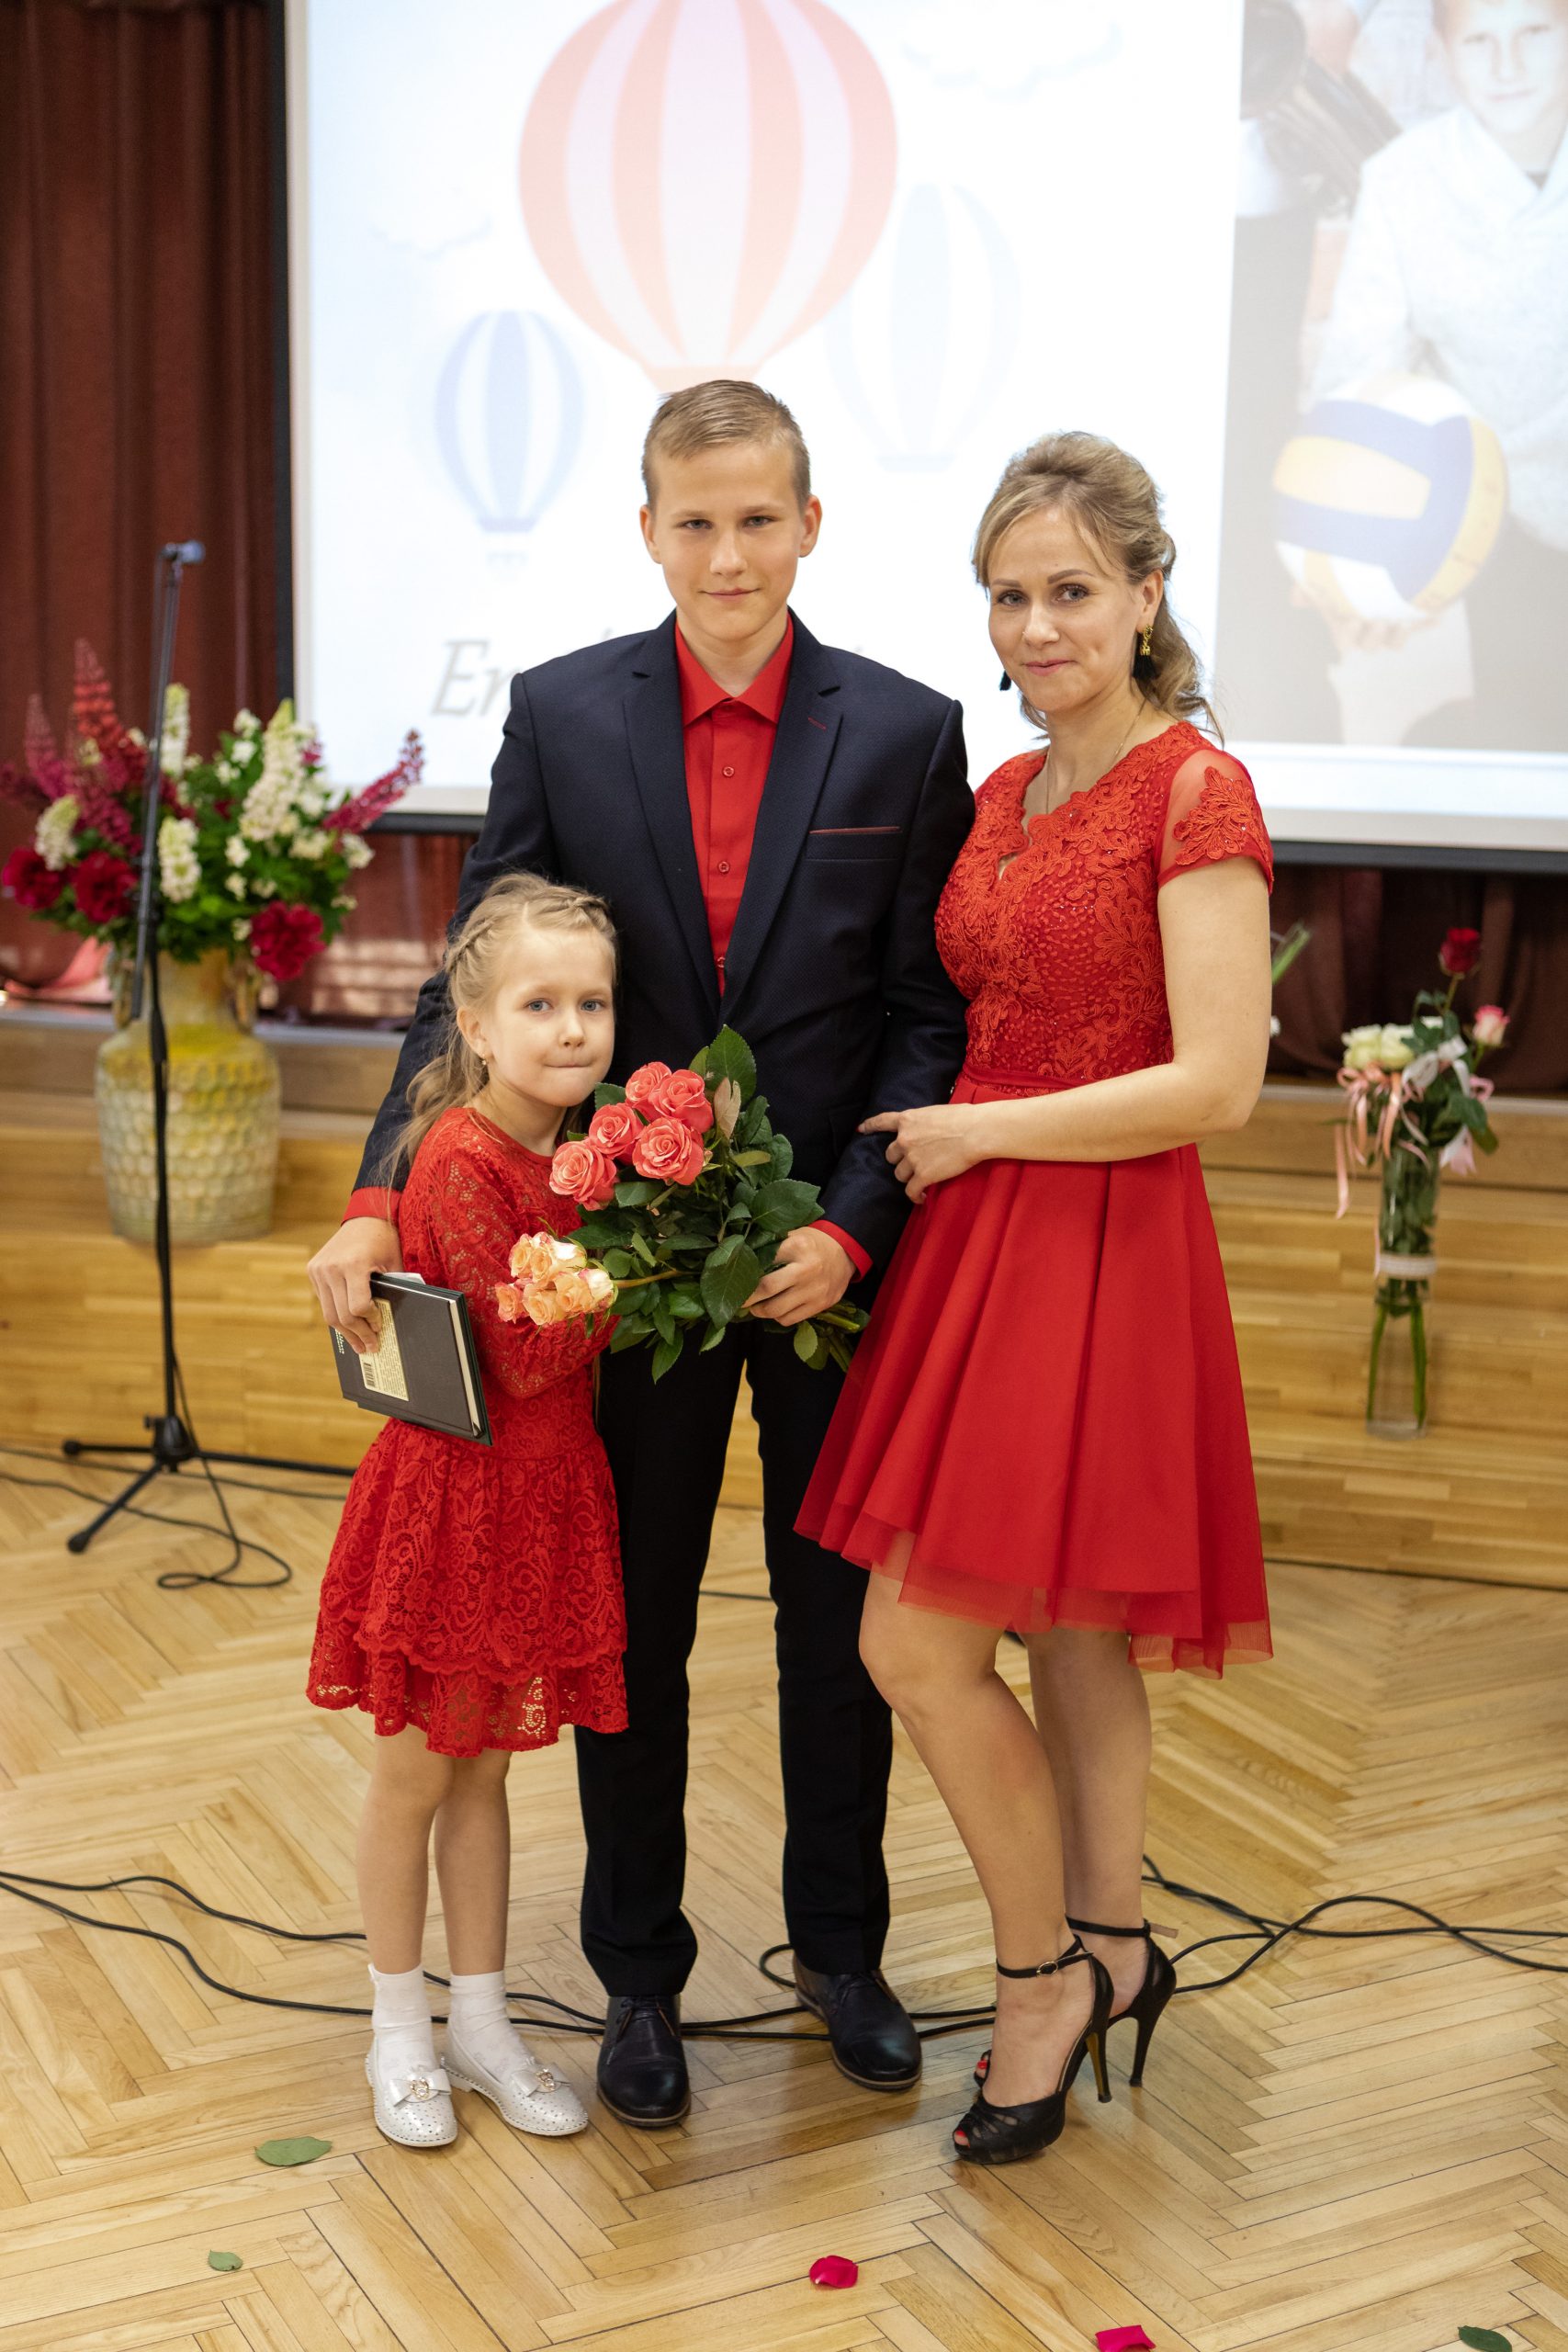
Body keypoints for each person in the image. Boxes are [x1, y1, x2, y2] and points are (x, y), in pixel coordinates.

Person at [307, 380, 973, 2128]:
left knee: (834, 1628)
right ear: (648, 530)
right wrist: (379, 1189)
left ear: (809, 524)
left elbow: (923, 1018)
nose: (727, 553)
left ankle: (842, 1952)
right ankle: (636, 1982)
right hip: (612, 1281)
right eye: (695, 521)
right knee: (634, 1624)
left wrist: (852, 1227)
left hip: (824, 1270)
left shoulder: (907, 731)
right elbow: (471, 975)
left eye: (757, 519)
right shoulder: (558, 711)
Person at [799, 433, 1275, 2166]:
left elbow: (1219, 1082)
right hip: (982, 1240)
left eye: (1070, 589)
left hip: (1099, 1236)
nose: (1035, 626)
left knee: (911, 1645)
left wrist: (982, 1130)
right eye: (1008, 595)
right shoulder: (1002, 792)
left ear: (1145, 594)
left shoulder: (1192, 789)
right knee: (1061, 1631)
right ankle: (1115, 1941)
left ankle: (1037, 1982)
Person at [307, 873, 626, 2149]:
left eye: (592, 1003)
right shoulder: (457, 1158)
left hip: (544, 1493)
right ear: (478, 1027)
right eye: (539, 1005)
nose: (572, 1028)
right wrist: (643, 1261)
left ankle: (483, 2022)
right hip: (455, 1503)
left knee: (485, 1769)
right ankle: (397, 2029)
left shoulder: (583, 1151)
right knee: (416, 1773)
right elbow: (525, 1352)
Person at [1307, 0, 1568, 746]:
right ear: (1440, 50)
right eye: (1479, 41)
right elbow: (1358, 382)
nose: (1506, 65)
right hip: (1512, 526)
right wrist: (1353, 558)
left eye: (1533, 34)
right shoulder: (1403, 182)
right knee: (1529, 744)